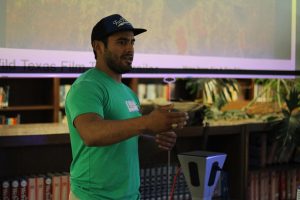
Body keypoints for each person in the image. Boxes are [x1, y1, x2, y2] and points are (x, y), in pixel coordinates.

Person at [65, 14, 189, 200]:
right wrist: (147, 122)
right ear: (98, 46)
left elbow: (128, 139)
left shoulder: (128, 93)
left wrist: (157, 138)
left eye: (132, 42)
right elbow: (91, 133)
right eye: (122, 42)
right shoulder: (87, 86)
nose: (130, 49)